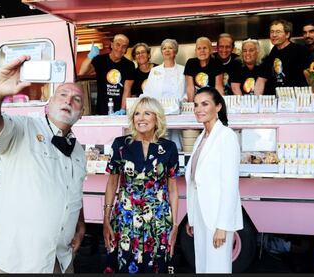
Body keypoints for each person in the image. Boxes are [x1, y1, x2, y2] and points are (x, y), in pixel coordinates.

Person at [0, 55, 87, 273]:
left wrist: (80, 223)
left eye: (77, 99)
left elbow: (72, 189)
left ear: (81, 113)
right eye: (63, 94)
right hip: (18, 260)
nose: (68, 101)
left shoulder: (79, 150)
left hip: (61, 259)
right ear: (50, 102)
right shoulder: (22, 129)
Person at [102, 96, 179, 273]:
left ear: (156, 118)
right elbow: (112, 183)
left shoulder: (169, 147)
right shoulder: (120, 145)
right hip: (125, 220)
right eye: (137, 113)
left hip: (158, 221)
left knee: (157, 266)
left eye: (147, 113)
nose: (141, 118)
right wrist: (106, 218)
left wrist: (174, 225)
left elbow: (173, 189)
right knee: (124, 264)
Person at [185, 87, 243, 273]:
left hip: (217, 217)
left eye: (205, 104)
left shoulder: (226, 136)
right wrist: (192, 218)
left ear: (218, 106)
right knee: (202, 265)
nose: (198, 109)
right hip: (201, 214)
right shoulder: (201, 137)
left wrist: (223, 226)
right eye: (195, 105)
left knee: (217, 267)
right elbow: (195, 181)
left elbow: (230, 186)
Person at [79, 34, 135, 115]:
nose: (120, 49)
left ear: (126, 49)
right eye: (118, 44)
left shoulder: (129, 65)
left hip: (118, 111)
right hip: (101, 110)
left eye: (124, 46)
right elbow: (82, 72)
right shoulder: (100, 60)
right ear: (112, 45)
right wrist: (90, 56)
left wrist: (123, 110)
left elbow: (127, 90)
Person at [255, 19, 310, 95]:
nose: (274, 35)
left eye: (278, 32)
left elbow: (308, 76)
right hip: (279, 101)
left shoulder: (299, 50)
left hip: (298, 100)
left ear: (287, 34)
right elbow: (261, 78)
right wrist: (256, 100)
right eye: (272, 32)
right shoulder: (273, 52)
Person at [184, 37, 224, 101]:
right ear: (196, 51)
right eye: (199, 48)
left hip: (212, 99)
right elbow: (190, 88)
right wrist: (191, 105)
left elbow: (219, 87)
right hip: (197, 100)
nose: (202, 51)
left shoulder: (217, 63)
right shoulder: (190, 63)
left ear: (210, 50)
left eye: (205, 48)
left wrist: (219, 103)